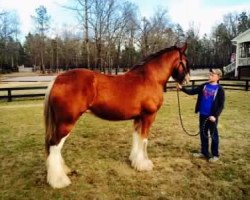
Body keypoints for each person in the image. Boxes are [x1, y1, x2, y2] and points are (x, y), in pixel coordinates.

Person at [177, 69, 225, 162]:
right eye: (210, 74)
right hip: (202, 114)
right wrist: (182, 88)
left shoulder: (220, 89)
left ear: (218, 77)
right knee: (203, 134)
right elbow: (192, 91)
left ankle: (215, 155)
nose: (210, 75)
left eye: (212, 74)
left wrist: (215, 116)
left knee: (213, 135)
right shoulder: (204, 86)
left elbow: (221, 105)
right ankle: (204, 152)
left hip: (212, 117)